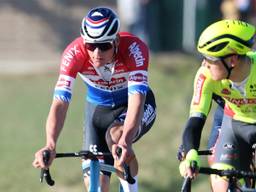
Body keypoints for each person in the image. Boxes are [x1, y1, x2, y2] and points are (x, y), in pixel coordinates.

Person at [32, 7, 156, 192]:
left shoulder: (134, 49)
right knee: (96, 186)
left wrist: (126, 140)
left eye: (104, 45)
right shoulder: (73, 54)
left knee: (117, 137)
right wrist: (50, 143)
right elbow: (60, 102)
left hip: (133, 105)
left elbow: (137, 99)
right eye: (91, 45)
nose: (97, 52)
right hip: (98, 112)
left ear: (116, 41)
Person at [178, 19, 256, 192]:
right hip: (235, 127)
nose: (204, 64)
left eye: (210, 59)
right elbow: (195, 120)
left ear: (233, 59)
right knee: (222, 184)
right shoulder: (205, 75)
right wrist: (191, 154)